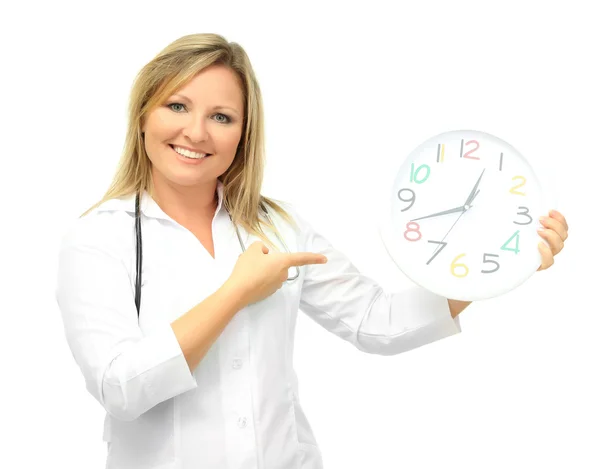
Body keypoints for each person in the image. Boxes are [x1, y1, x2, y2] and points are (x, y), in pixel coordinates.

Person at [54, 33, 569, 469]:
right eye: (177, 106)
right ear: (143, 115)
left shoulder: (277, 225)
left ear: (243, 134)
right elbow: (120, 389)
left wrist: (494, 266)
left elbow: (376, 321)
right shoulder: (99, 238)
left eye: (222, 116)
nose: (196, 132)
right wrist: (236, 292)